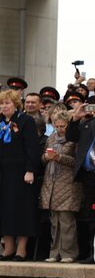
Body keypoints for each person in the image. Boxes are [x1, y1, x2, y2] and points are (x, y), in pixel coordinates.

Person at [0, 90, 40, 260]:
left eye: (7, 103)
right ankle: (8, 247)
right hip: (2, 174)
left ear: (16, 104)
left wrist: (30, 169)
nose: (4, 106)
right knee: (4, 210)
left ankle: (21, 249)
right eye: (1, 103)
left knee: (21, 210)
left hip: (20, 174)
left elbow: (32, 147)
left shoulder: (26, 121)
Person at [39, 108, 79, 262]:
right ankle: (54, 253)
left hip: (68, 182)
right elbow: (42, 159)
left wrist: (59, 157)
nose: (60, 129)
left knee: (67, 221)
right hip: (51, 182)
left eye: (63, 126)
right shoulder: (51, 139)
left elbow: (77, 162)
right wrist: (46, 157)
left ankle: (69, 253)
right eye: (57, 126)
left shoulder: (74, 139)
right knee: (54, 221)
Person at [64, 101, 95, 263]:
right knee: (91, 216)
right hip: (89, 176)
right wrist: (76, 118)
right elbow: (70, 137)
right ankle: (93, 253)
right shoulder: (86, 123)